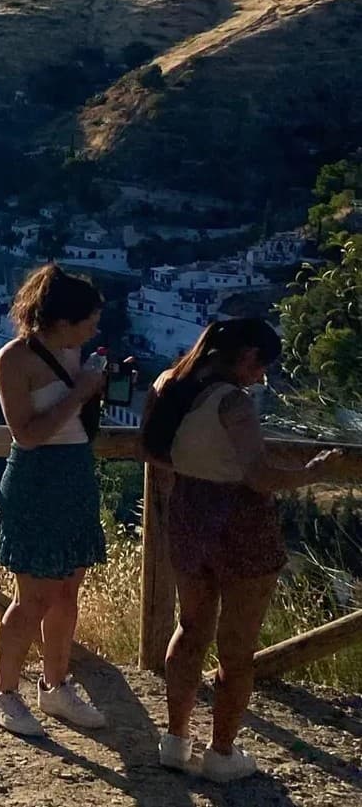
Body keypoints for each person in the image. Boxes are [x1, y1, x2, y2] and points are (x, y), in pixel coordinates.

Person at [143, 318, 341, 782]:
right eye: (262, 366)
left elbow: (152, 449)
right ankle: (221, 752)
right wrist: (313, 472)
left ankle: (175, 740)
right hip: (241, 521)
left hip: (189, 510)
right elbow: (259, 476)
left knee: (191, 626)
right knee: (237, 645)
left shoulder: (168, 383)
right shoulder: (234, 403)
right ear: (248, 356)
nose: (260, 377)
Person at [0, 263, 110, 737]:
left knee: (66, 593)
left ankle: (55, 685)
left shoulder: (75, 352)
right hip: (37, 478)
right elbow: (27, 434)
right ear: (60, 320)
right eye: (87, 323)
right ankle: (3, 694)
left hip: (75, 471)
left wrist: (97, 387)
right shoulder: (14, 359)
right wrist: (81, 391)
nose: (93, 331)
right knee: (32, 598)